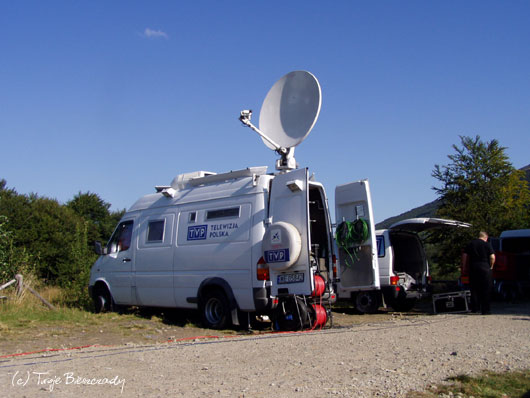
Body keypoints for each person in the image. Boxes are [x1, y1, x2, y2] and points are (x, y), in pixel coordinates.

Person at [462, 231, 496, 314]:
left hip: (473, 267)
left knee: (474, 289)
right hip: (485, 268)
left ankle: (475, 308)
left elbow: (465, 256)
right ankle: (485, 310)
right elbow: (492, 257)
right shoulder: (487, 244)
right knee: (486, 289)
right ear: (486, 237)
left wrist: (464, 267)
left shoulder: (470, 244)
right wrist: (491, 266)